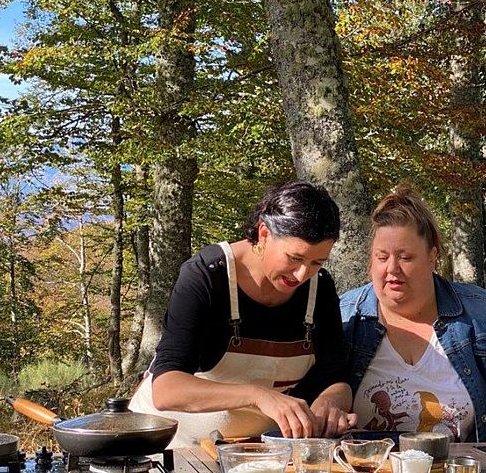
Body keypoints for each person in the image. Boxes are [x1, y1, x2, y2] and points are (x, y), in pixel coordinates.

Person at [130, 180, 355, 447]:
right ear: (263, 233)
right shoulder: (206, 275)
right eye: (295, 258)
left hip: (248, 452)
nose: (302, 274)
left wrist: (329, 403)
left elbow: (336, 378)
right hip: (166, 443)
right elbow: (167, 389)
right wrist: (258, 396)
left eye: (317, 262)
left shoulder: (320, 288)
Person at [340, 187, 486, 446]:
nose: (391, 269)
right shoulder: (345, 316)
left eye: (405, 257)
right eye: (381, 257)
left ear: (433, 256)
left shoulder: (483, 312)